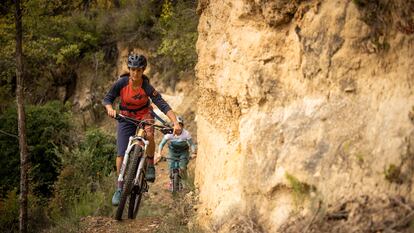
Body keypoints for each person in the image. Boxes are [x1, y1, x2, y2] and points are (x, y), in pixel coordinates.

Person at [103, 54, 182, 206]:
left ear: (143, 70)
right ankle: (120, 187)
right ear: (129, 69)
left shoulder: (146, 86)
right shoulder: (121, 83)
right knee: (120, 154)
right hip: (125, 117)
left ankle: (150, 164)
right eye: (132, 70)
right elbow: (108, 98)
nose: (135, 73)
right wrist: (110, 108)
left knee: (150, 136)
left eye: (139, 70)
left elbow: (162, 104)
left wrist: (175, 122)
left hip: (145, 115)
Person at [156, 116, 196, 190]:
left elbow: (192, 144)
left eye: (180, 125)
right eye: (176, 125)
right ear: (173, 126)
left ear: (182, 126)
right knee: (171, 166)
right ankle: (171, 181)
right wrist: (159, 153)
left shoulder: (186, 134)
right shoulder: (169, 134)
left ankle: (185, 182)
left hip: (183, 152)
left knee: (183, 167)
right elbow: (161, 144)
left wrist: (194, 152)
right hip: (172, 152)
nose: (178, 128)